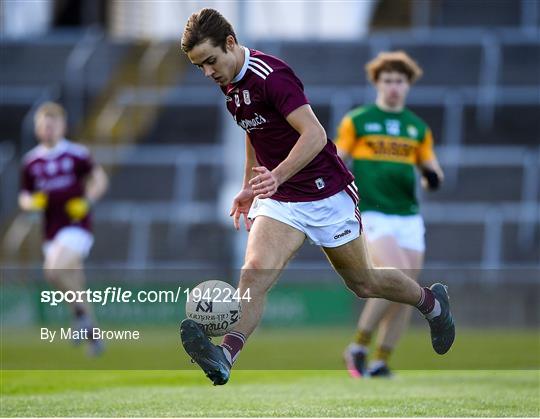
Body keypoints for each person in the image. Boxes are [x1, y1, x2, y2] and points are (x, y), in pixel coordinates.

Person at [178, 8, 454, 385]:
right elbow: (253, 130)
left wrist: (275, 175)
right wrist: (248, 185)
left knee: (364, 284)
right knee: (254, 274)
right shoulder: (229, 85)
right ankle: (225, 355)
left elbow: (315, 135)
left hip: (327, 193)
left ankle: (432, 304)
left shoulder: (272, 75)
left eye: (210, 61)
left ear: (230, 43)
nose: (208, 73)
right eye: (199, 67)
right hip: (280, 199)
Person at [335, 51, 445, 378]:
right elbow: (339, 158)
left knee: (408, 286)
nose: (394, 87)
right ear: (377, 83)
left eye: (400, 81)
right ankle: (357, 347)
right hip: (373, 211)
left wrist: (433, 177)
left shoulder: (417, 128)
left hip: (408, 216)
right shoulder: (358, 120)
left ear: (408, 85)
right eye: (388, 80)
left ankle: (382, 360)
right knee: (396, 272)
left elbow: (431, 169)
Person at [19, 101, 108, 356]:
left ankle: (81, 320)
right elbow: (24, 196)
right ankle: (93, 336)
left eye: (52, 125)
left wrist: (87, 201)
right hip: (51, 230)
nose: (48, 130)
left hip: (76, 225)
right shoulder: (31, 161)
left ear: (62, 126)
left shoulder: (76, 154)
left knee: (53, 271)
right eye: (43, 126)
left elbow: (99, 179)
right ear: (38, 129)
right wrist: (31, 203)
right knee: (76, 285)